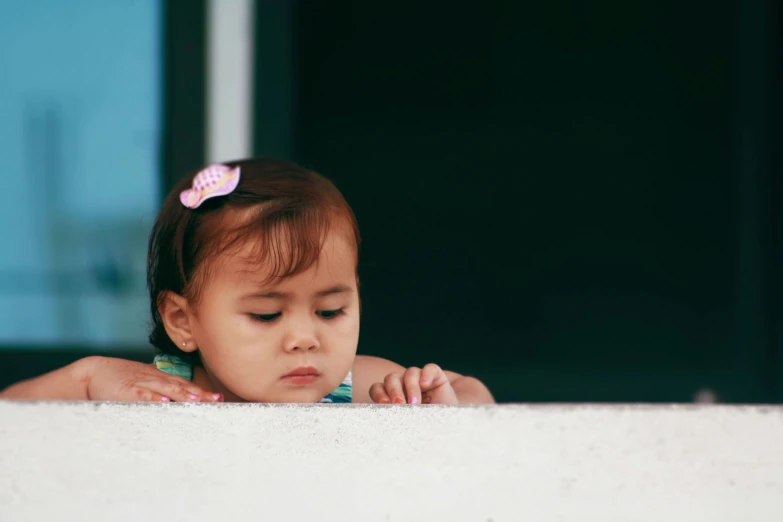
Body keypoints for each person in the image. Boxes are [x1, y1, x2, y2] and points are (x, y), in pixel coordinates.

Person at [1, 158, 494, 405]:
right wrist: (83, 379)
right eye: (266, 314)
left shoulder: (359, 386)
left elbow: (484, 405)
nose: (306, 338)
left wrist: (440, 405)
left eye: (330, 311)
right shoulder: (162, 394)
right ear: (182, 320)